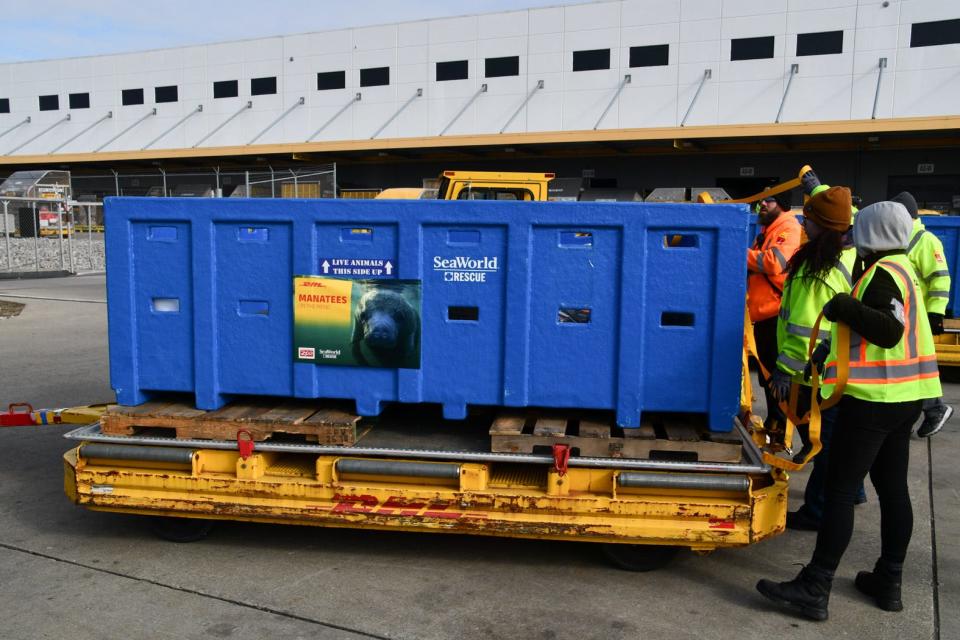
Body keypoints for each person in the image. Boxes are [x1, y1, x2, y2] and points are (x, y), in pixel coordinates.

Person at [756, 201, 941, 621]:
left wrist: (843, 306)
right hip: (905, 399)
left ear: (874, 233)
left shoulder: (881, 275)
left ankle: (815, 586)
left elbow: (889, 331)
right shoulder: (904, 268)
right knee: (893, 490)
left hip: (874, 402)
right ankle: (888, 580)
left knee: (839, 491)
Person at [767, 186, 865, 532]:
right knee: (836, 439)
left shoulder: (816, 268)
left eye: (809, 220)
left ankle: (818, 510)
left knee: (821, 443)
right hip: (841, 371)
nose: (802, 225)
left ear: (824, 226)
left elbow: (805, 328)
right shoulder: (853, 257)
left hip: (815, 375)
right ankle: (852, 490)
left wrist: (783, 369)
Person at [891, 191, 953, 437]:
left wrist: (936, 313)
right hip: (904, 315)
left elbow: (939, 279)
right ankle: (925, 411)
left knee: (914, 366)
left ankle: (933, 409)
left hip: (919, 317)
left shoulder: (925, 241)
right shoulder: (901, 238)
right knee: (910, 368)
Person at [747, 194, 801, 432]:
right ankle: (775, 421)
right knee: (767, 375)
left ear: (781, 204)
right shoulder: (770, 230)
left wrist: (738, 253)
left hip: (775, 314)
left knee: (775, 376)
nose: (762, 206)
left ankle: (783, 424)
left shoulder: (788, 227)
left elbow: (774, 263)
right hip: (764, 314)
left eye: (768, 201)